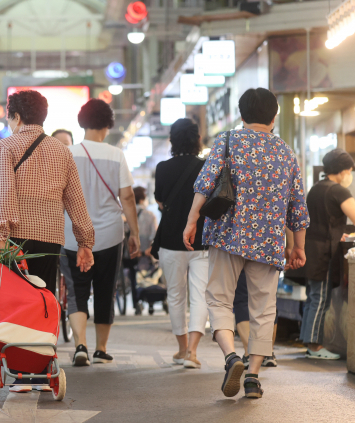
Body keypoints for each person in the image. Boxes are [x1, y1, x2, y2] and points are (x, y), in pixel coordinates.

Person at [184, 88, 309, 399]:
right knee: (264, 309)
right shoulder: (285, 151)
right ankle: (252, 376)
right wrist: (299, 246)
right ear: (274, 116)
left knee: (219, 299)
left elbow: (205, 183)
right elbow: (298, 205)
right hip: (268, 242)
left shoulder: (227, 141)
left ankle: (230, 357)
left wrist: (192, 220)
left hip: (227, 235)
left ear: (241, 115)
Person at [0, 89, 95, 392]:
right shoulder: (62, 150)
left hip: (16, 239)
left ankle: (20, 372)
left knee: (16, 304)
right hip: (50, 238)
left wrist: (1, 235)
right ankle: (39, 371)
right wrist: (85, 242)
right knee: (43, 301)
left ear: (16, 116)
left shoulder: (6, 146)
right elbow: (75, 198)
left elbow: (4, 193)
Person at [63, 98, 140, 367]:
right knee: (106, 290)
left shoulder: (68, 153)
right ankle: (101, 349)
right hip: (109, 234)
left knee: (77, 290)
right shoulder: (115, 155)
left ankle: (80, 346)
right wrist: (134, 233)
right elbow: (127, 197)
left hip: (71, 235)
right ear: (107, 125)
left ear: (81, 123)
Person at [153, 118, 208, 369]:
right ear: (198, 139)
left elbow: (161, 201)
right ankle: (193, 353)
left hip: (171, 240)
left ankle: (182, 348)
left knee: (175, 295)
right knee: (199, 295)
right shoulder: (206, 167)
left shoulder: (163, 168)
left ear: (172, 141)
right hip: (201, 240)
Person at [301, 148, 355, 359]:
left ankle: (309, 342)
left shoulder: (316, 188)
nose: (349, 175)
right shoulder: (338, 191)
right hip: (324, 252)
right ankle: (314, 346)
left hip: (312, 249)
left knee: (313, 297)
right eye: (349, 171)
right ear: (342, 170)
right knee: (320, 298)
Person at [124, 186, 157, 315]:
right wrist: (148, 250)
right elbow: (154, 236)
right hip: (147, 253)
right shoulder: (150, 215)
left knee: (133, 274)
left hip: (131, 254)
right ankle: (151, 298)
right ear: (143, 199)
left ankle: (136, 302)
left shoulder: (125, 215)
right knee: (152, 271)